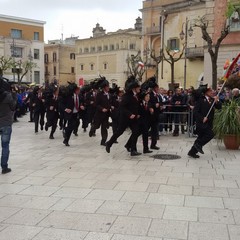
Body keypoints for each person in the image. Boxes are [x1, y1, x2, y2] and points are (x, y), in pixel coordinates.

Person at [105, 80, 141, 156]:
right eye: (138, 87)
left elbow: (135, 106)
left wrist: (137, 114)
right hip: (125, 118)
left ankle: (132, 149)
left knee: (136, 131)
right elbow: (122, 107)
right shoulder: (127, 96)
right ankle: (109, 143)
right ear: (134, 88)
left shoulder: (136, 95)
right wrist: (129, 114)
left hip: (133, 118)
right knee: (119, 132)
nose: (139, 89)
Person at [188, 87, 222, 158]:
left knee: (200, 137)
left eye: (212, 91)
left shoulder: (213, 100)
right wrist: (202, 118)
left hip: (209, 122)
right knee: (210, 134)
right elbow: (195, 111)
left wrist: (217, 101)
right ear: (206, 92)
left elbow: (219, 107)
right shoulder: (200, 100)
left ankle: (192, 152)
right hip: (201, 123)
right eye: (210, 91)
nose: (212, 92)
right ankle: (199, 145)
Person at [0, 77, 17, 174]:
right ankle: (4, 167)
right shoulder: (7, 95)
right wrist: (14, 95)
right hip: (6, 123)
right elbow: (13, 106)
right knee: (5, 145)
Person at [89, 79, 111, 146]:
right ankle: (92, 129)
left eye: (108, 86)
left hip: (106, 115)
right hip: (99, 115)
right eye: (107, 86)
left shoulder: (110, 94)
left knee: (104, 128)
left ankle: (103, 141)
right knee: (96, 126)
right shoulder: (99, 94)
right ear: (104, 87)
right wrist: (102, 109)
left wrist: (111, 107)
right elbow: (96, 104)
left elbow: (110, 103)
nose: (108, 87)